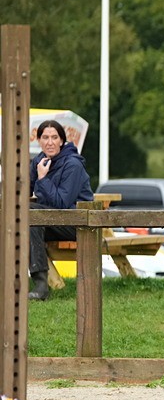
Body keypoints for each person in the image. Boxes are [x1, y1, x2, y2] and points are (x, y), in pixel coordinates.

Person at [28, 120, 94, 300]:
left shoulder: (73, 165)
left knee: (30, 215)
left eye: (54, 137)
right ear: (39, 141)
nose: (50, 142)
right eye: (45, 137)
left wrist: (42, 179)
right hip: (50, 220)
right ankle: (31, 284)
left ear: (62, 141)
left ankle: (41, 286)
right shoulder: (39, 161)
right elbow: (23, 190)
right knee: (16, 218)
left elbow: (61, 203)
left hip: (77, 222)